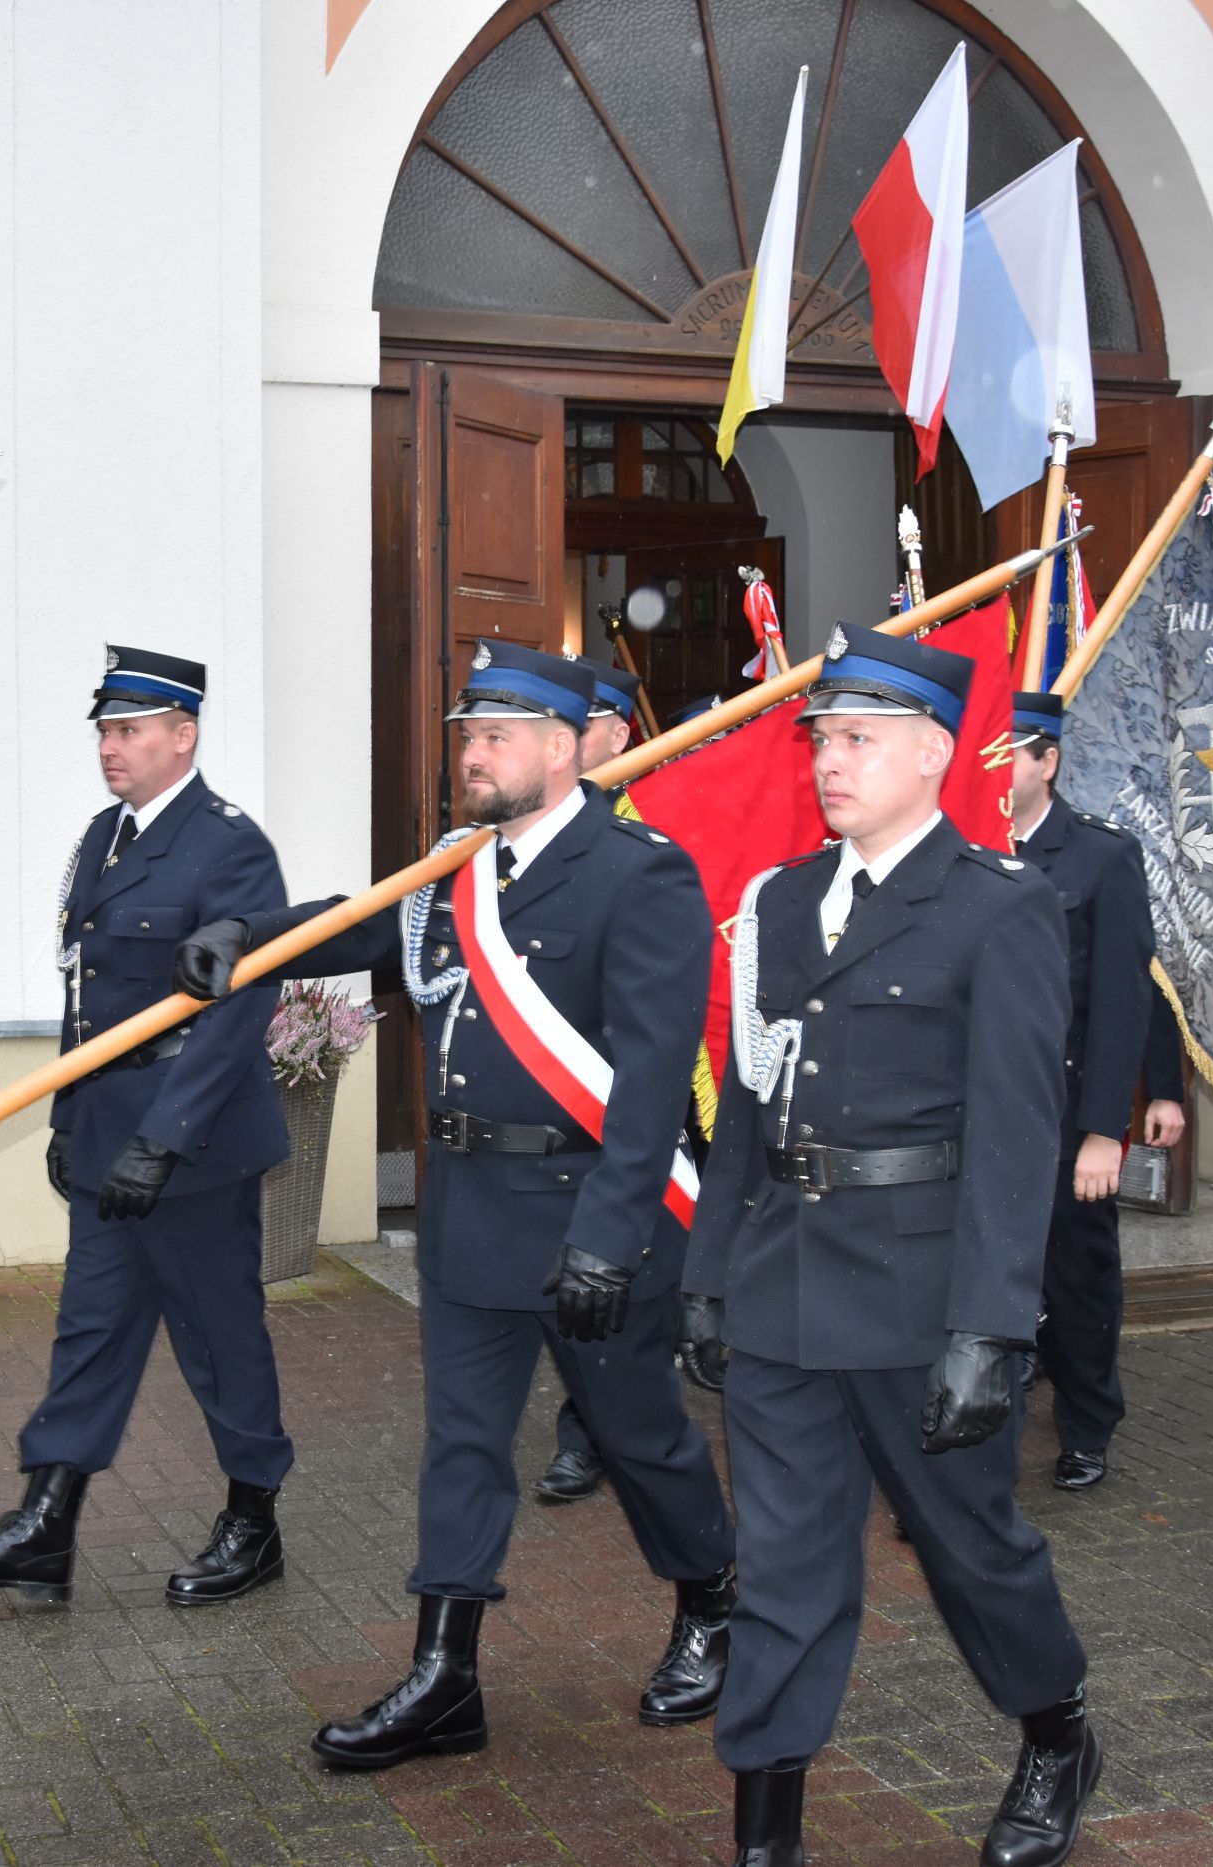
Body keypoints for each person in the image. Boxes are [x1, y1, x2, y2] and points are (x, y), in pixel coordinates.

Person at [173, 643, 736, 1767]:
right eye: (467, 735)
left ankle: (714, 1603)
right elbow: (363, 922)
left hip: (592, 1214)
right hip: (473, 1207)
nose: (471, 755)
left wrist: (612, 1239)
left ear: (566, 747)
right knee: (463, 1445)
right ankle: (445, 1675)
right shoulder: (459, 873)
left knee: (639, 1438)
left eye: (496, 736)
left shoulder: (643, 872)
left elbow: (650, 1081)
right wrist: (253, 938)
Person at [683, 626, 1099, 1867]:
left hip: (921, 1294)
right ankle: (767, 1835)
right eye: (823, 738)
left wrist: (992, 1328)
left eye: (859, 738)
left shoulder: (998, 909)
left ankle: (1056, 1729)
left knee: (974, 1550)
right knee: (784, 1570)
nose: (830, 761)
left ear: (933, 754)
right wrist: (706, 1278)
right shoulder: (782, 903)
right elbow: (751, 1110)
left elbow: (1020, 1141)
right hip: (780, 1284)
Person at [0, 647, 297, 1607]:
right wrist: (68, 1114)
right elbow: (83, 995)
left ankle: (253, 1523)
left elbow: (237, 1012)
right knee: (90, 1332)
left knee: (219, 1335)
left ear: (185, 734)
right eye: (104, 731)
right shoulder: (104, 836)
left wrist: (161, 1139)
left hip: (194, 1146)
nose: (110, 748)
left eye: (129, 731)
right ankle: (46, 1525)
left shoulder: (230, 846)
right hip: (107, 1135)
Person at [1006, 691, 1165, 1492]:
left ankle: (1088, 1418)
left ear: (1047, 761)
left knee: (1076, 1273)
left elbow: (1122, 1003)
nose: (996, 771)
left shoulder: (1100, 857)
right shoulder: (958, 845)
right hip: (982, 1108)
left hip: (1066, 1109)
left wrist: (1107, 1128)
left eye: (1010, 754)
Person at [536, 657, 642, 1506]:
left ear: (615, 733)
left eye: (591, 719)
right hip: (569, 1091)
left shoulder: (655, 821)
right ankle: (587, 1435)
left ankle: (624, 1427)